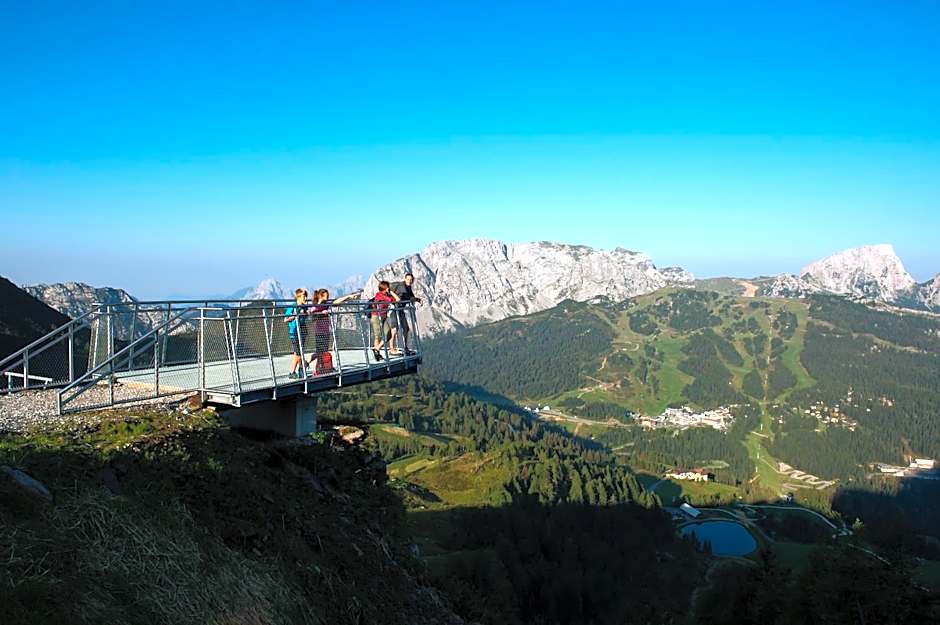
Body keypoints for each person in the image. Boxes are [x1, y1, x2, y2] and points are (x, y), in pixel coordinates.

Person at [308, 288, 355, 374]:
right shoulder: (316, 306)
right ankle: (308, 363)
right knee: (320, 352)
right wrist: (322, 313)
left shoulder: (325, 304)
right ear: (321, 296)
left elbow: (336, 302)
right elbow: (312, 316)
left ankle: (324, 367)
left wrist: (348, 296)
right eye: (326, 295)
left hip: (326, 331)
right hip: (319, 332)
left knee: (323, 351)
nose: (328, 297)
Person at [390, 272, 422, 354]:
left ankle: (405, 348)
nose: (409, 281)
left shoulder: (408, 288)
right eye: (408, 279)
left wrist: (418, 300)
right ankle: (391, 349)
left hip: (400, 310)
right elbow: (389, 290)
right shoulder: (401, 286)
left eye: (411, 280)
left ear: (413, 280)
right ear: (405, 279)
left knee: (406, 328)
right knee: (394, 329)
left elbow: (411, 297)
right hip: (394, 309)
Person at [370, 281, 399, 361]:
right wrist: (391, 293)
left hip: (383, 317)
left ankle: (377, 349)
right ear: (385, 288)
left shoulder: (386, 295)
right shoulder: (379, 295)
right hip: (376, 317)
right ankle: (377, 354)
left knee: (388, 334)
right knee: (377, 336)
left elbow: (397, 299)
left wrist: (391, 292)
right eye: (388, 287)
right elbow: (393, 300)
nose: (389, 288)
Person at [284, 288, 309, 379]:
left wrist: (306, 314)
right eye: (303, 296)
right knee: (298, 352)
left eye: (306, 296)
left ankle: (294, 371)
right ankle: (300, 369)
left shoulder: (304, 307)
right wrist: (295, 315)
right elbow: (285, 319)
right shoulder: (293, 307)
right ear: (298, 297)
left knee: (298, 352)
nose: (305, 298)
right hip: (294, 331)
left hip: (302, 330)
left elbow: (305, 317)